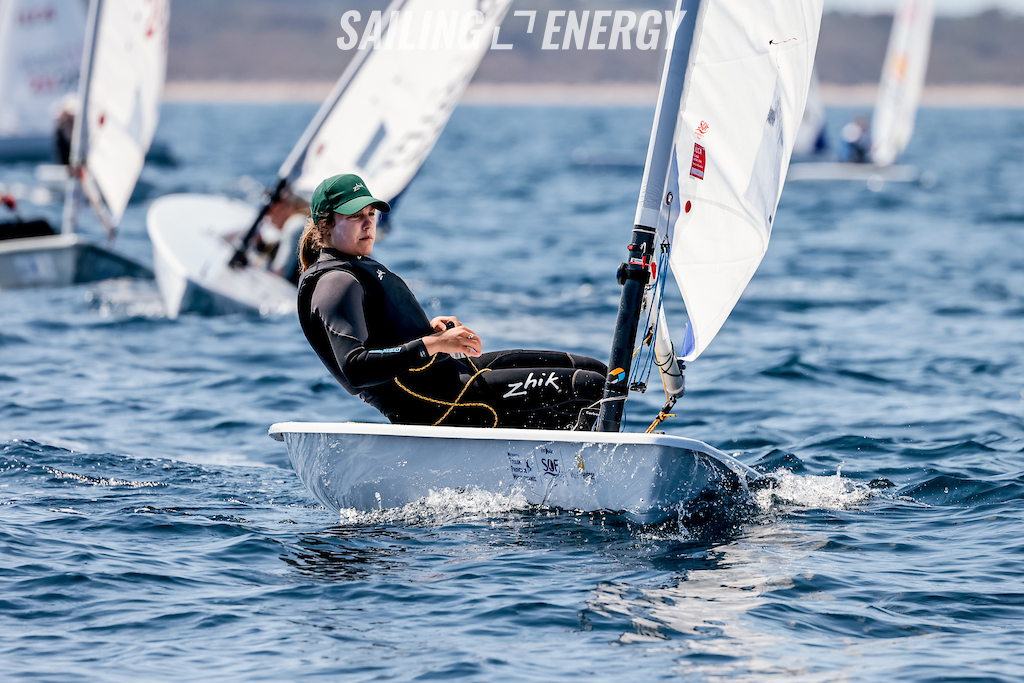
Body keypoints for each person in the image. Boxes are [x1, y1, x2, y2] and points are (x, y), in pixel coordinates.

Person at [296, 173, 607, 430]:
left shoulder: (354, 268)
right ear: (325, 225)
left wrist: (428, 332)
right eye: (354, 217)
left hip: (449, 377)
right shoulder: (335, 282)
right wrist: (435, 344)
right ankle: (583, 471)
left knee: (597, 371)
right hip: (436, 402)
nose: (367, 224)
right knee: (588, 386)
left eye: (371, 214)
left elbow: (384, 335)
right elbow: (355, 369)